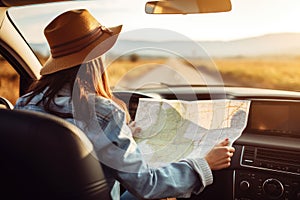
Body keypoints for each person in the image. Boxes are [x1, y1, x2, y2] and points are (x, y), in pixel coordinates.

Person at [14, 9, 235, 200]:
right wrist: (204, 164)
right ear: (95, 60)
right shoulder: (103, 114)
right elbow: (147, 185)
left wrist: (122, 133)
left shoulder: (25, 104)